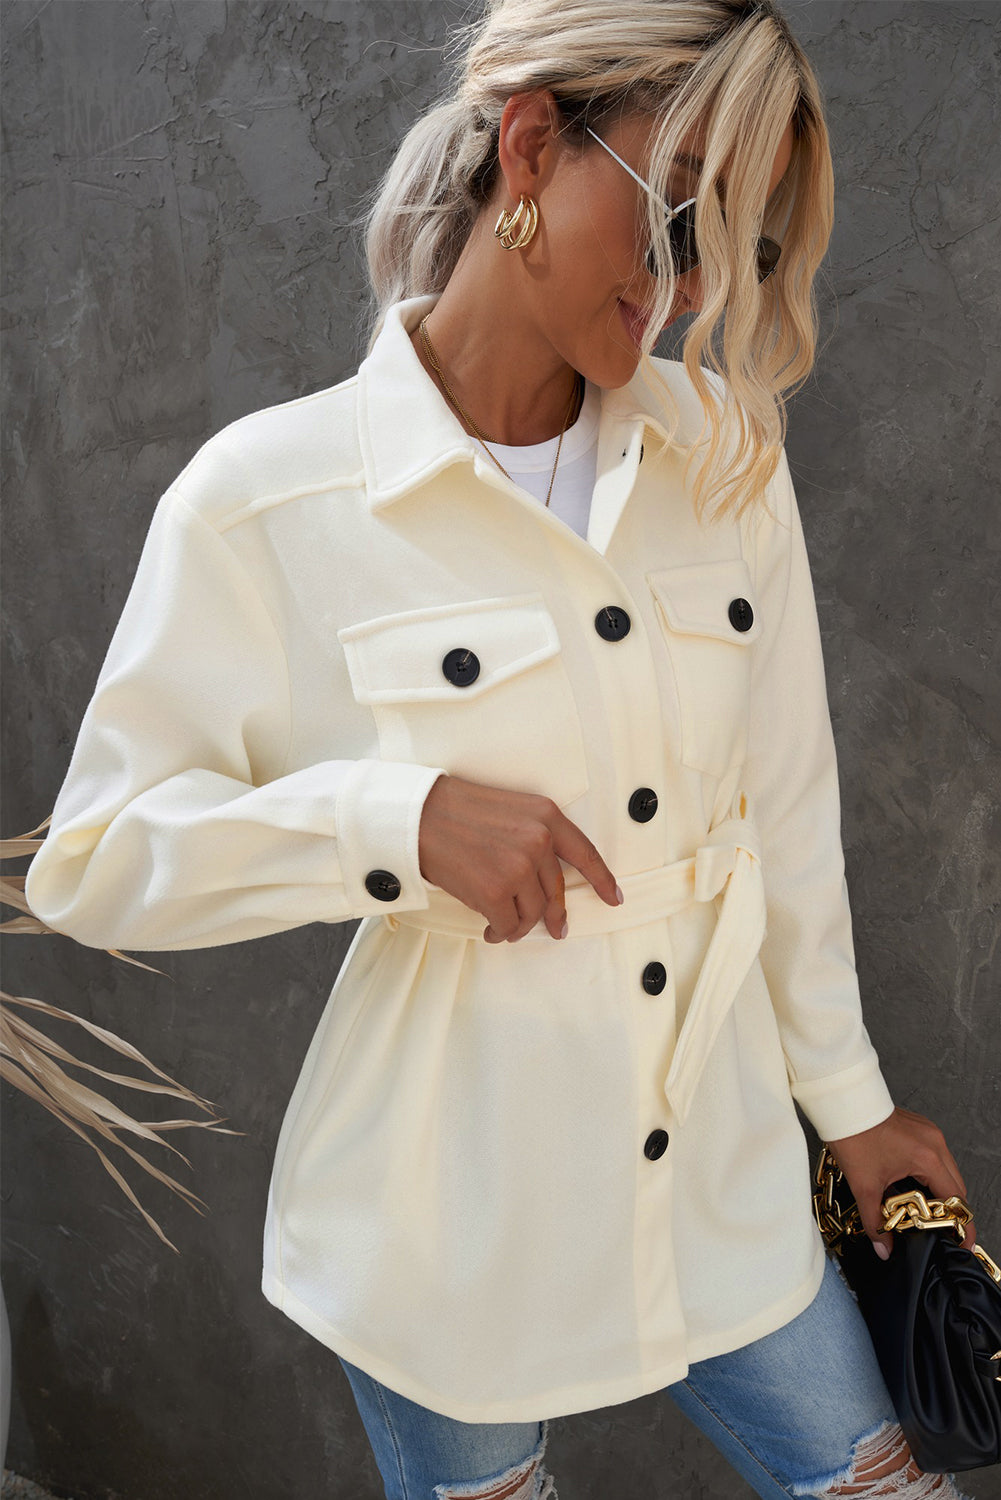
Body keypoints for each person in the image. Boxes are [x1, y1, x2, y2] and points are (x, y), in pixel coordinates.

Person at [23, 1, 982, 1496]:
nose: (689, 290)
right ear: (531, 145)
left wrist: (848, 1105)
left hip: (720, 1181)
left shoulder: (723, 457)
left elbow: (787, 814)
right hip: (447, 1228)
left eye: (732, 250)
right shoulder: (267, 500)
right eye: (675, 219)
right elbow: (93, 863)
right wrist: (392, 824)